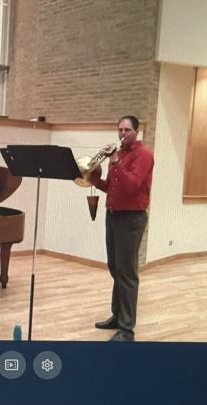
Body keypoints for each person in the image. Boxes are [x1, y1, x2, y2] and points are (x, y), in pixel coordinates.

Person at [90, 115, 154, 342]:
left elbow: (131, 186)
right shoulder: (118, 155)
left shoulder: (143, 155)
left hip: (131, 218)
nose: (122, 134)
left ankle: (127, 329)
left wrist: (115, 160)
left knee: (127, 273)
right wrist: (96, 181)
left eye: (127, 130)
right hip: (114, 215)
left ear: (137, 131)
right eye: (120, 130)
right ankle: (117, 316)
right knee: (115, 268)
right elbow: (114, 188)